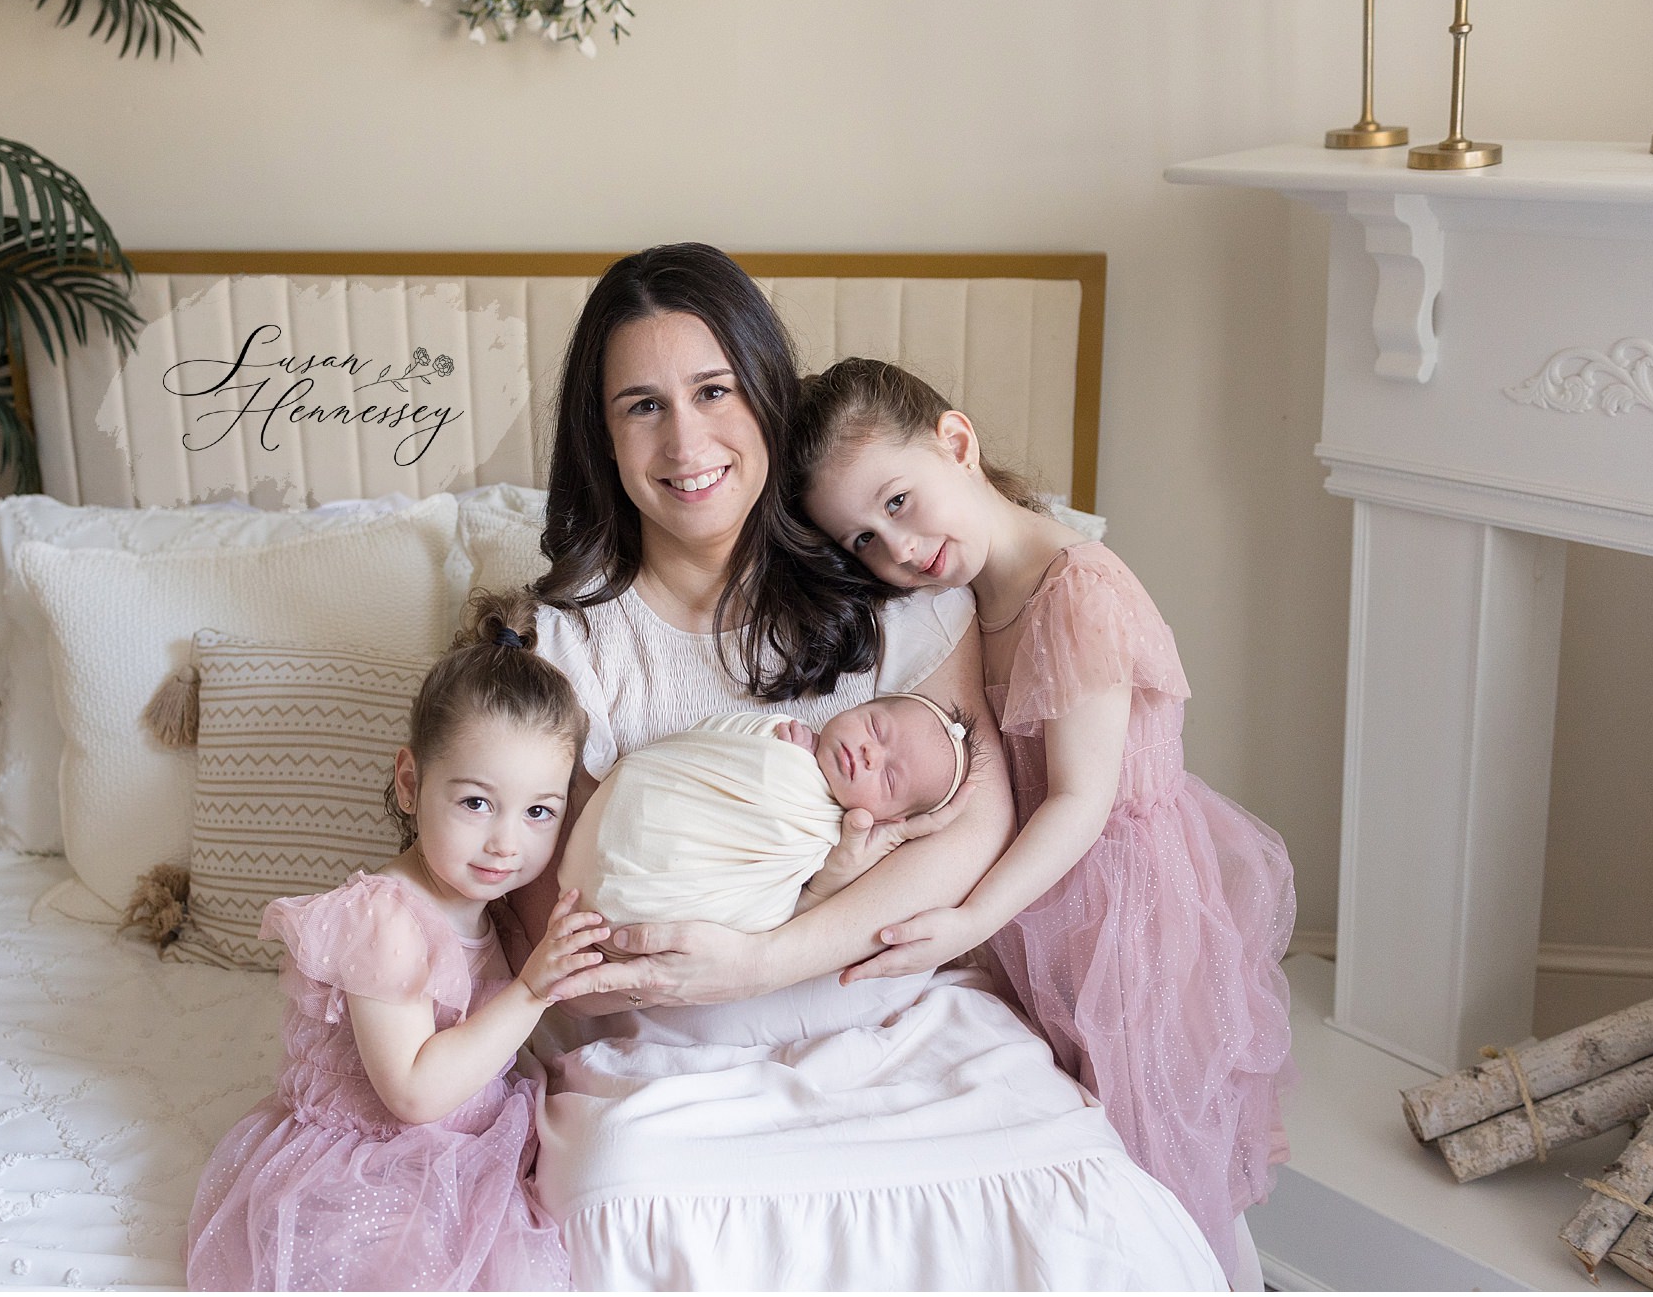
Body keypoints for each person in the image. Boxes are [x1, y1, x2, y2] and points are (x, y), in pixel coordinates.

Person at [511, 243, 1227, 1290]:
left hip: (897, 1014)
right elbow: (545, 901)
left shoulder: (891, 580)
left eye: (712, 390)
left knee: (1084, 1223)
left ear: (763, 396)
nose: (685, 439)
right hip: (671, 1054)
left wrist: (762, 959)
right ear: (601, 437)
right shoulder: (573, 644)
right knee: (627, 1208)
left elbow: (975, 821)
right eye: (640, 406)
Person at [795, 355, 1297, 1286]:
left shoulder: (1079, 591)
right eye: (863, 538)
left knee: (1151, 1141)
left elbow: (1079, 798)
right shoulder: (954, 603)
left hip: (1125, 911)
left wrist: (969, 921)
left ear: (957, 441)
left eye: (900, 502)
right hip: (1037, 907)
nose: (896, 549)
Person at [185, 592, 607, 1292]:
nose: (506, 841)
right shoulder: (383, 921)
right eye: (477, 802)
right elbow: (412, 1091)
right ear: (411, 782)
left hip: (467, 1139)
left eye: (539, 811)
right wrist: (533, 988)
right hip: (373, 1160)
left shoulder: (487, 900)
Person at [558, 693, 979, 936]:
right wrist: (777, 757)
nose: (871, 753)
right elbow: (692, 748)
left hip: (651, 908)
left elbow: (792, 900)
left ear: (888, 818)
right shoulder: (774, 732)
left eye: (888, 779)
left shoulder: (833, 835)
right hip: (621, 825)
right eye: (874, 726)